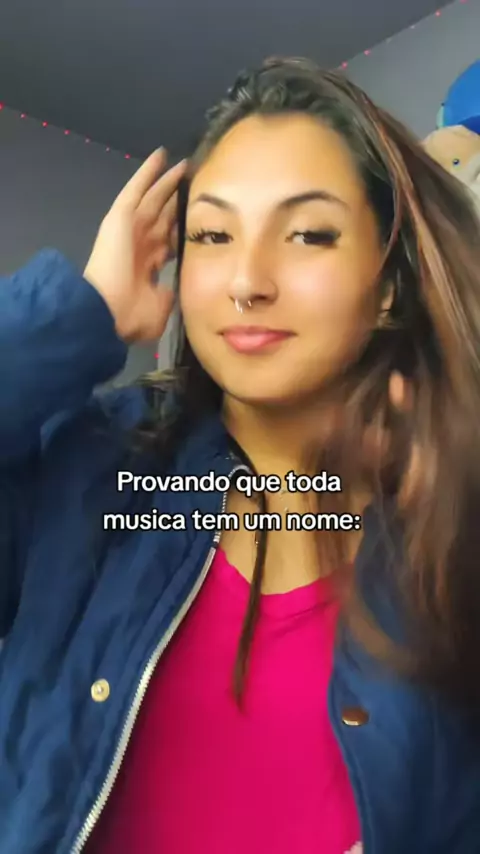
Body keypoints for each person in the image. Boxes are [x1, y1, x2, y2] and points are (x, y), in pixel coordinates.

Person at [1, 56, 480, 854]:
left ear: (388, 284)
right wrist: (75, 313)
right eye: (213, 236)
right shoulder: (88, 469)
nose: (246, 282)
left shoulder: (451, 521)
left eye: (308, 234)